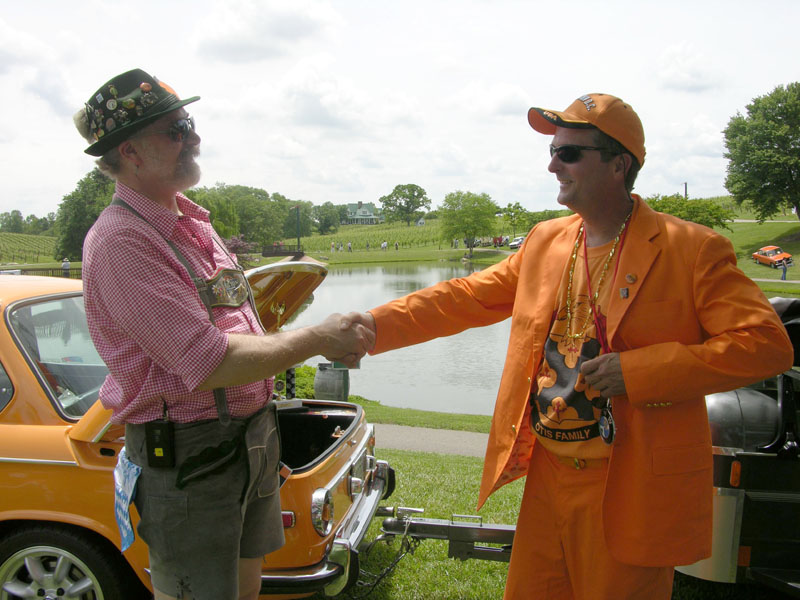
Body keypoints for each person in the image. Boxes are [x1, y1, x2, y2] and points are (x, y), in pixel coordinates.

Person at [343, 93, 793, 599]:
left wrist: (640, 371)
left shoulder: (691, 248)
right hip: (547, 473)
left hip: (630, 485)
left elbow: (765, 345)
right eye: (553, 151)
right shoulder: (545, 240)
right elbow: (462, 298)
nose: (553, 163)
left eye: (570, 153)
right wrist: (370, 326)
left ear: (620, 164)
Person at [74, 68, 372, 600]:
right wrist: (318, 339)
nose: (195, 137)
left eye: (189, 122)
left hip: (249, 439)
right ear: (131, 152)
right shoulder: (120, 241)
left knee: (245, 587)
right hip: (191, 458)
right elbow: (206, 361)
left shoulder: (193, 223)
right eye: (177, 128)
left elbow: (238, 322)